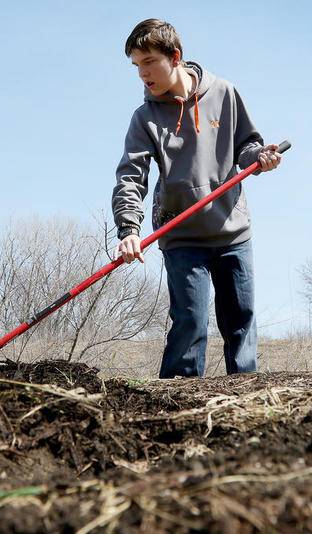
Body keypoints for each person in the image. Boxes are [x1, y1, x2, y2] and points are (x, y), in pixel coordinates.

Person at [112, 19, 282, 379]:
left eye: (148, 62)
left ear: (175, 57)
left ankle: (247, 400)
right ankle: (173, 406)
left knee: (241, 321)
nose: (142, 74)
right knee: (190, 323)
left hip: (231, 230)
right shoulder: (145, 118)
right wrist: (128, 228)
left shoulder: (224, 93)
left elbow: (247, 146)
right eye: (136, 66)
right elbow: (131, 176)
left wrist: (259, 158)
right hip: (182, 235)